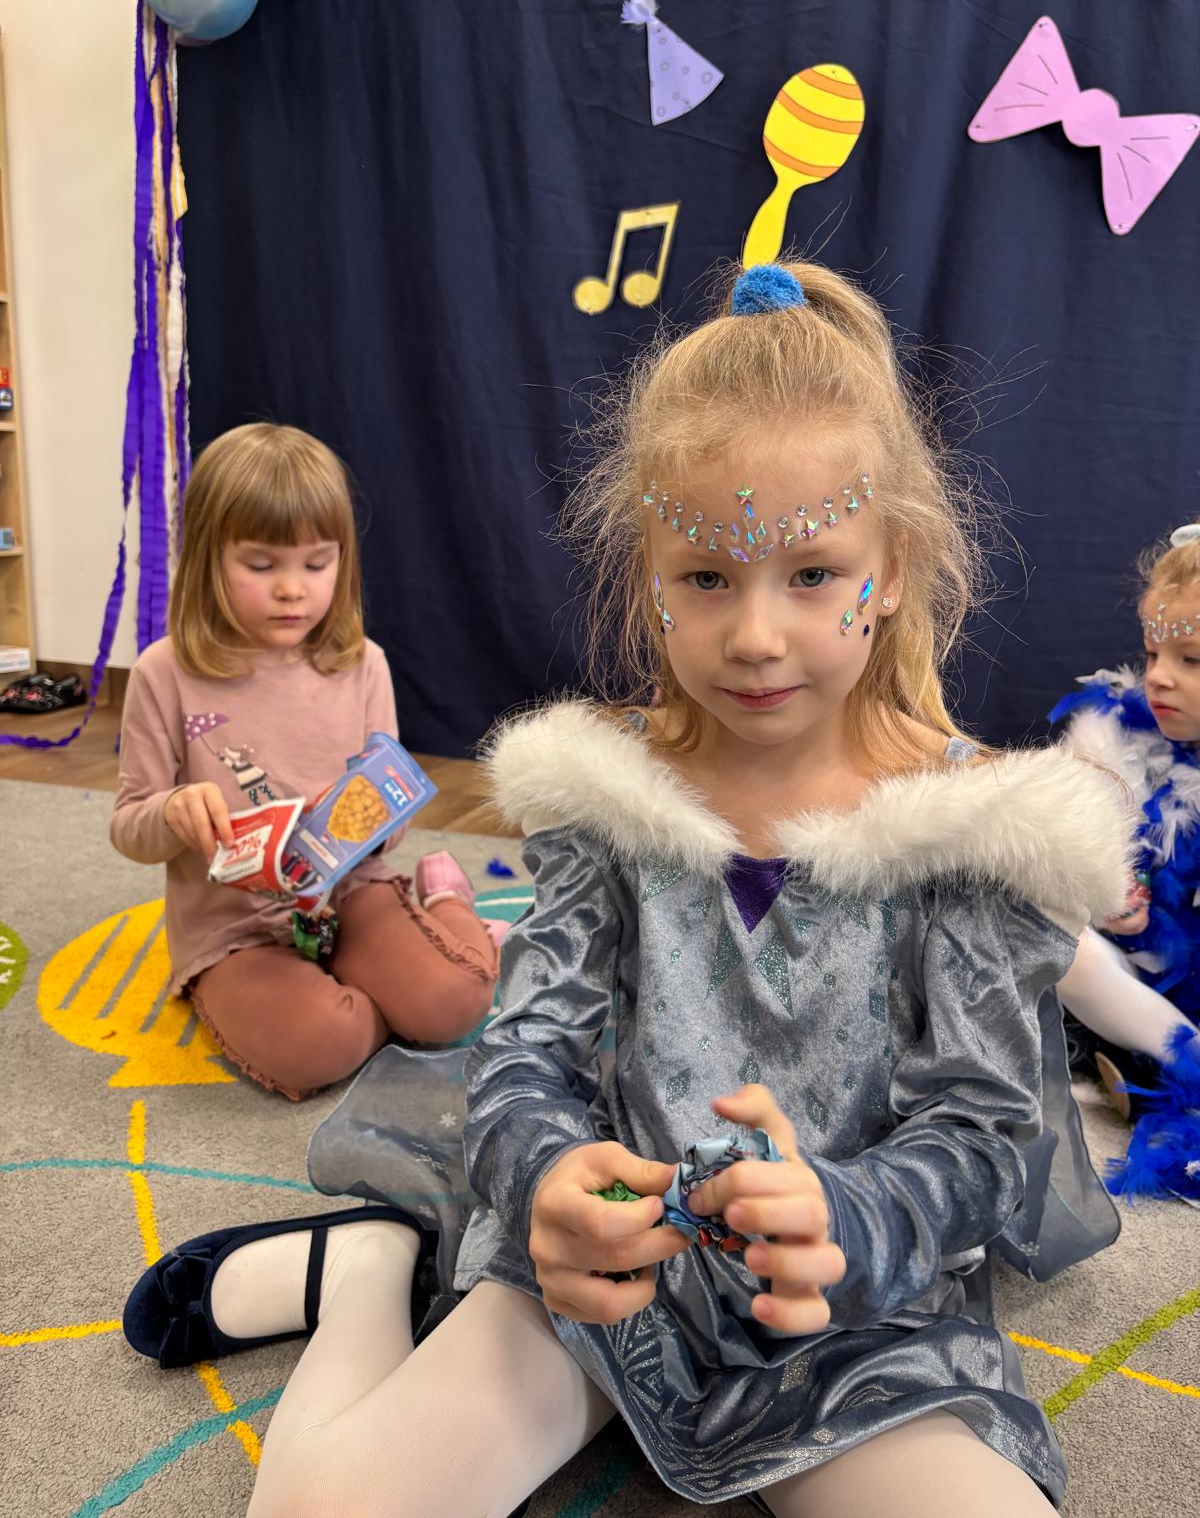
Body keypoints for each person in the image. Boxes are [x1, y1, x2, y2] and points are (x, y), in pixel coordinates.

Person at [123, 267, 1131, 1516]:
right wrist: (545, 1179)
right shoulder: (610, 797)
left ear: (895, 565)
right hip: (602, 1278)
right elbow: (524, 1054)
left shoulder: (970, 831)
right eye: (706, 577)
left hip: (854, 1315)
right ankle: (372, 1272)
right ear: (646, 571)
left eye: (812, 573)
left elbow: (985, 1132)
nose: (754, 634)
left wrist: (850, 1215)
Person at [110, 422, 500, 1100]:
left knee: (454, 1002)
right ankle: (367, 991)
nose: (293, 589)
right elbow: (128, 826)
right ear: (207, 558)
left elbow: (392, 819)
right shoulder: (161, 673)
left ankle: (445, 899)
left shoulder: (363, 664)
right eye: (261, 566)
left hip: (349, 895)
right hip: (235, 930)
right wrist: (172, 811)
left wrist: (357, 817)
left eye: (317, 564)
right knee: (323, 1044)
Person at [1048, 519, 1200, 1199]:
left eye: (1191, 660)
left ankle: (1140, 1069)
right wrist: (1109, 899)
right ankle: (1178, 1061)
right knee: (1056, 938)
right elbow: (1067, 850)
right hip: (1135, 979)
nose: (1159, 677)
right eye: (1153, 653)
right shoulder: (1113, 745)